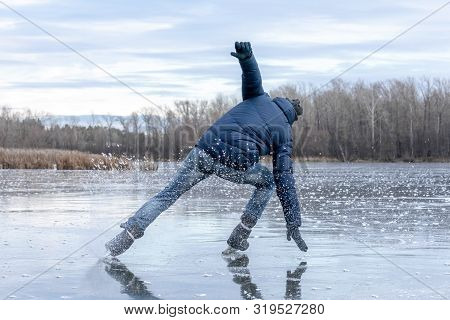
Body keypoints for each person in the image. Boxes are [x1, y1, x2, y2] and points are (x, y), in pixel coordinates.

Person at [105, 41, 308, 256]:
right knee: (268, 182)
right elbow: (283, 177)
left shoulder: (258, 97)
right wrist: (293, 220)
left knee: (168, 194)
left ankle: (127, 235)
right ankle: (240, 235)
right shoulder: (285, 133)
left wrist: (248, 57)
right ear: (293, 118)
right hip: (234, 164)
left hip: (204, 151)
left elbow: (252, 77)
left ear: (281, 101)